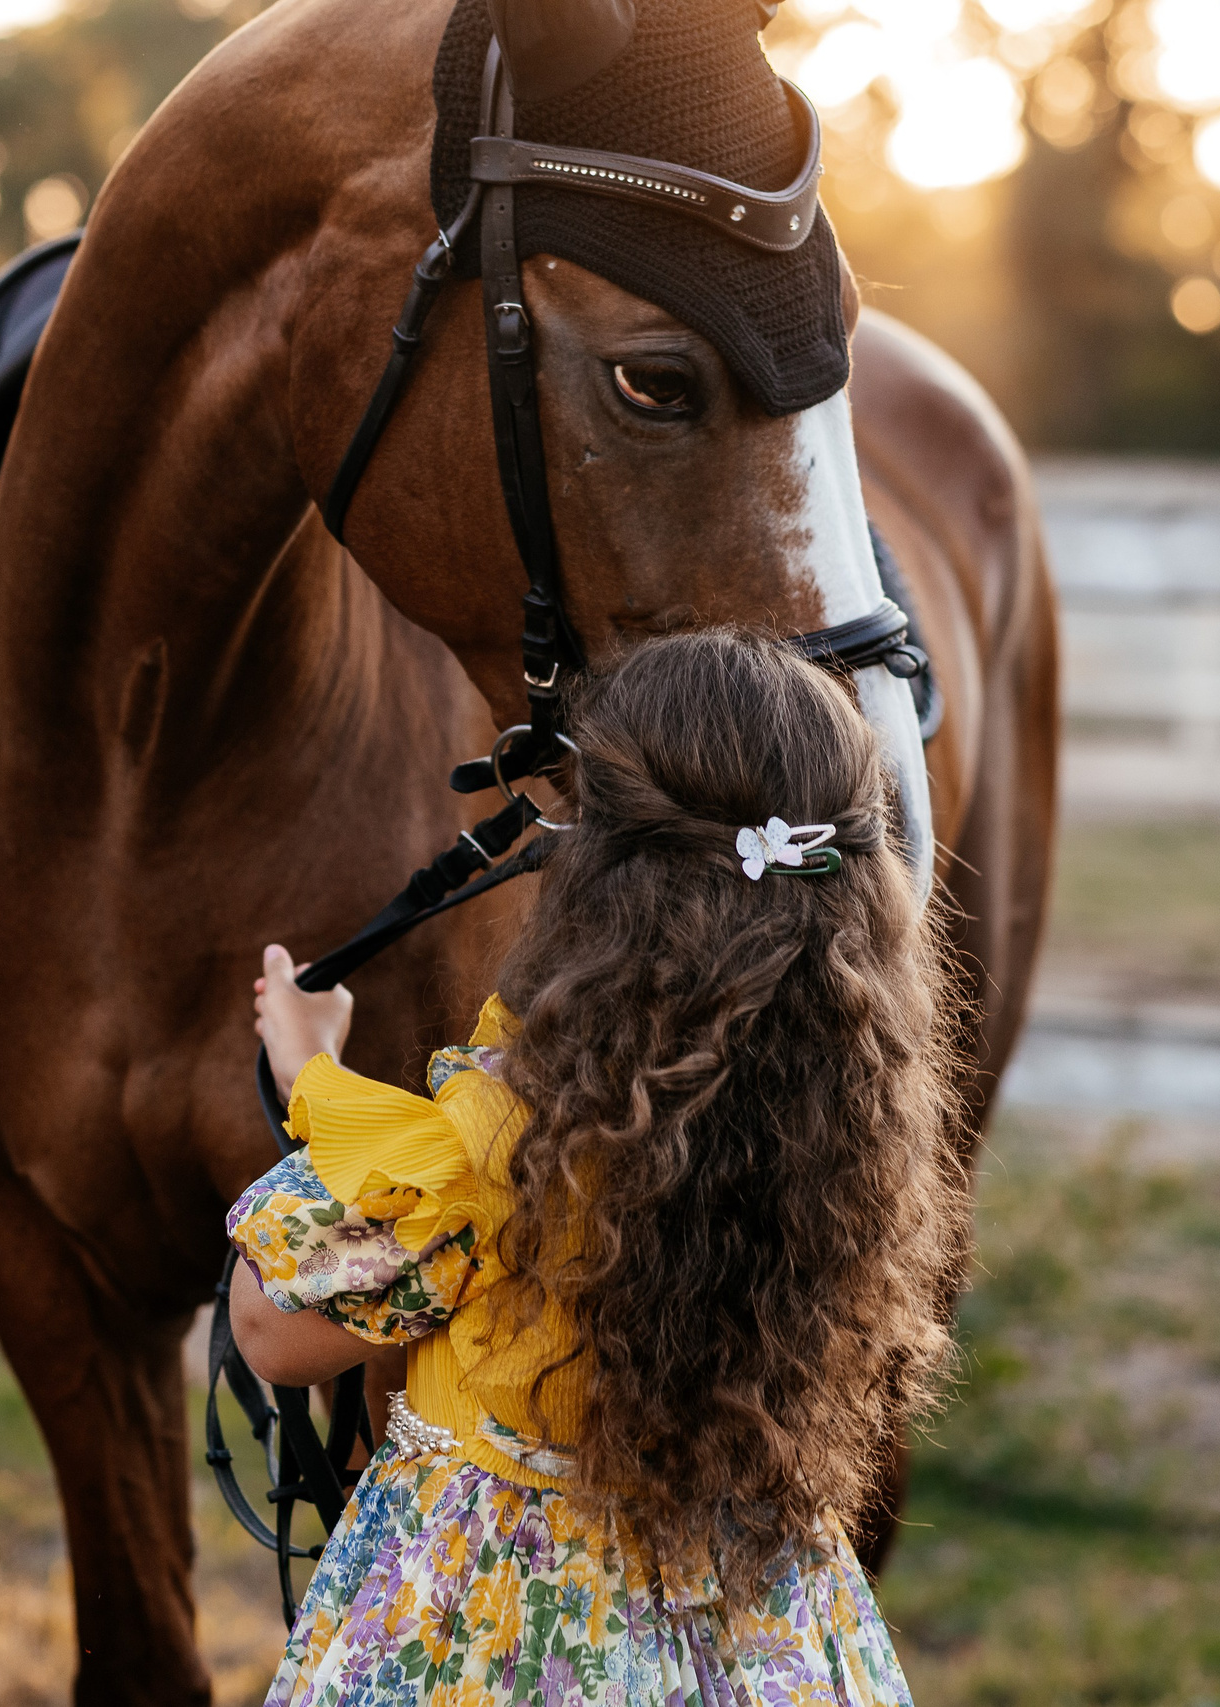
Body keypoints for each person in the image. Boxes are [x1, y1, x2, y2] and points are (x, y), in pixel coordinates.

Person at [229, 629, 967, 1707]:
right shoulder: (847, 1132)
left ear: (602, 885)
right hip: (762, 1638)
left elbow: (276, 1330)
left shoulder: (503, 1140)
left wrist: (312, 1078)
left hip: (495, 1637)